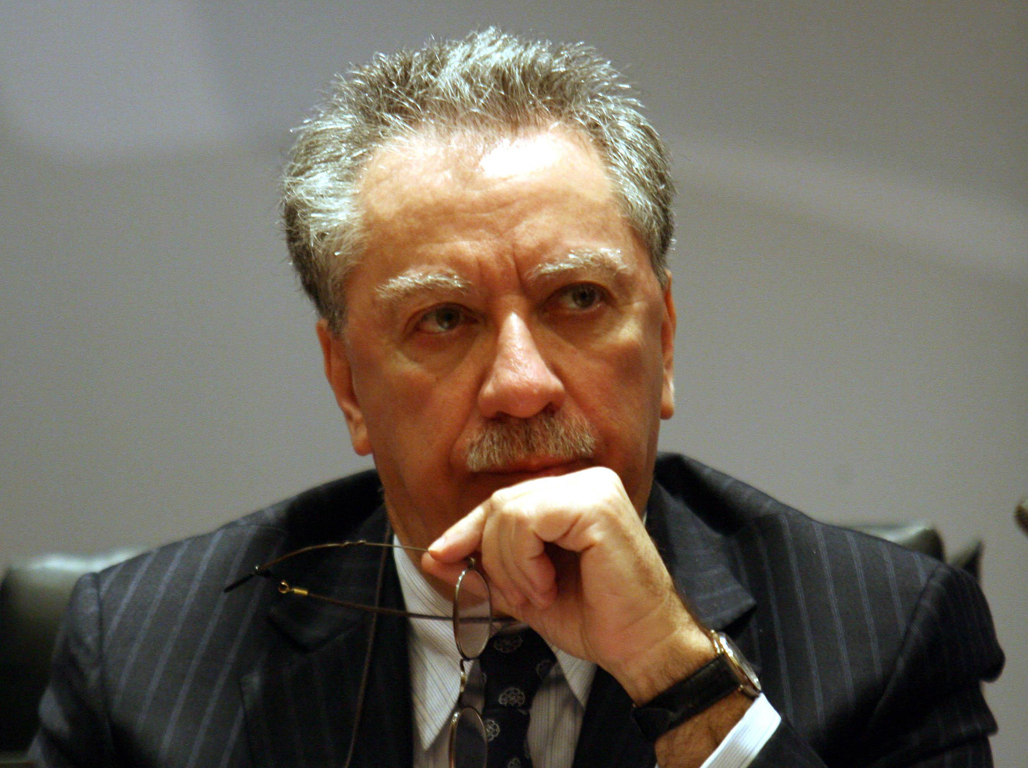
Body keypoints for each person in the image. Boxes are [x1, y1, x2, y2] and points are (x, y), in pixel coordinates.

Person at [31, 29, 1003, 768]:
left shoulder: (882, 634)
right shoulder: (144, 656)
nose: (522, 385)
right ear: (348, 384)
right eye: (443, 319)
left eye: (577, 301)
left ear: (663, 340)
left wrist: (678, 676)